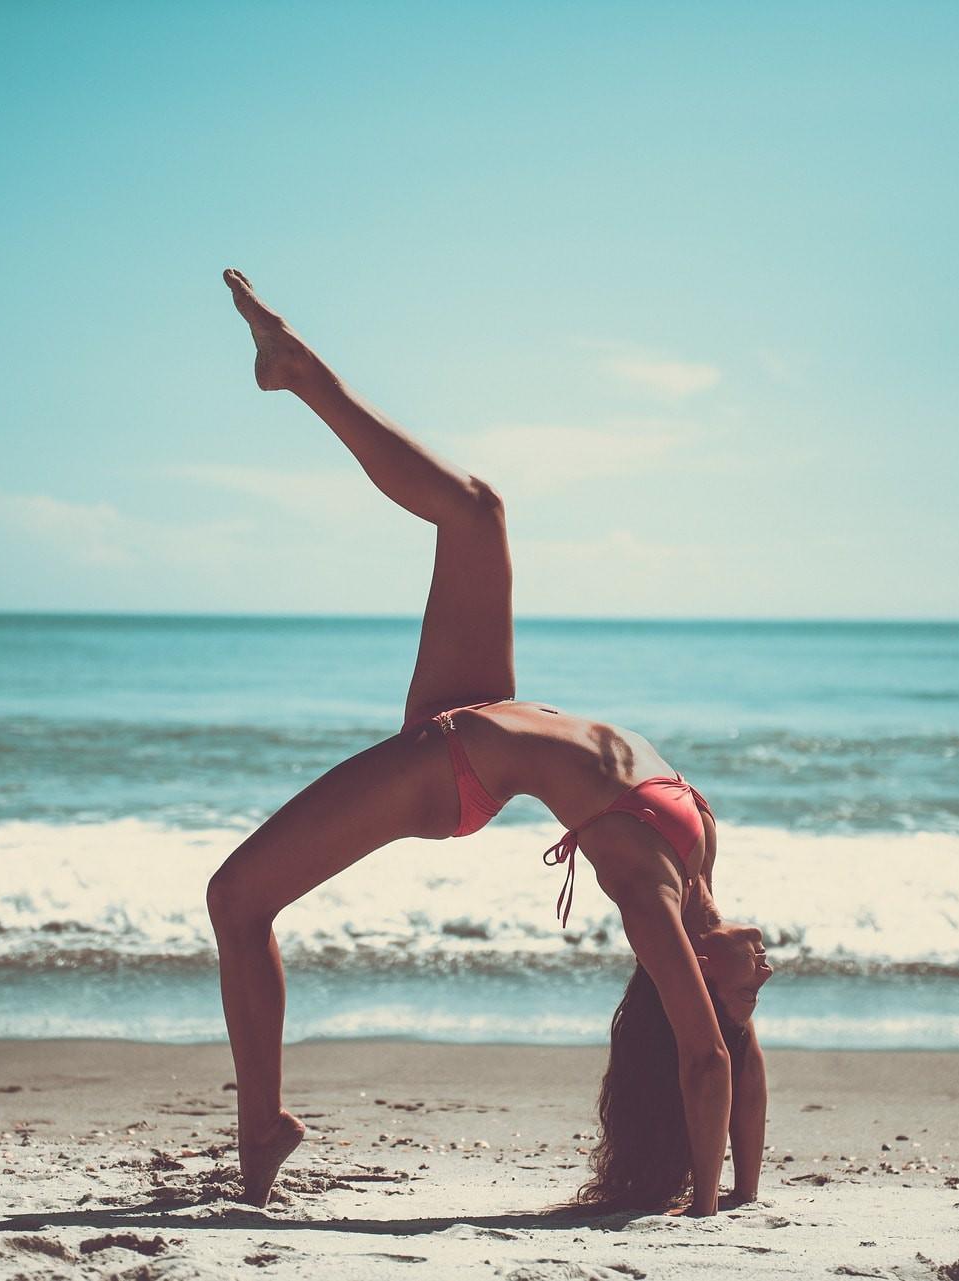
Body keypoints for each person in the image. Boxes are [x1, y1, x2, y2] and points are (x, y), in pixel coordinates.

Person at [206, 270, 774, 1215]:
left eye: (751, 994)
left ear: (700, 978)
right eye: (758, 990)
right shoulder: (700, 844)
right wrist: (750, 1189)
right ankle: (297, 370)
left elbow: (710, 1058)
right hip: (481, 709)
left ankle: (261, 1125)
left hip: (453, 770)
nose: (769, 971)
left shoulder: (652, 898)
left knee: (235, 899)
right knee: (479, 509)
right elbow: (736, 1057)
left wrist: (711, 1208)